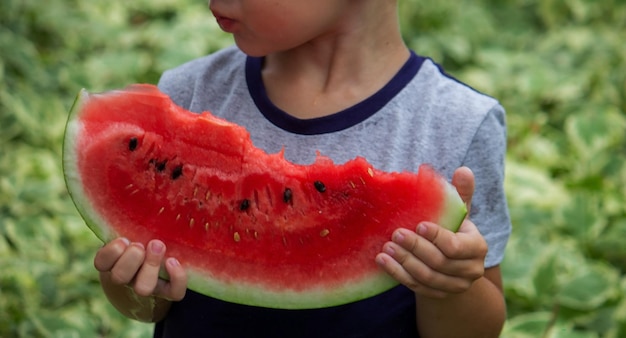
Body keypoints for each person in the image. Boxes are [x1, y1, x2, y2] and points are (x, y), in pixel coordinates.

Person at [93, 0, 511, 337]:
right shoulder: (189, 93)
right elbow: (152, 308)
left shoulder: (458, 124)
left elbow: (476, 329)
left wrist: (448, 288)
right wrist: (132, 287)